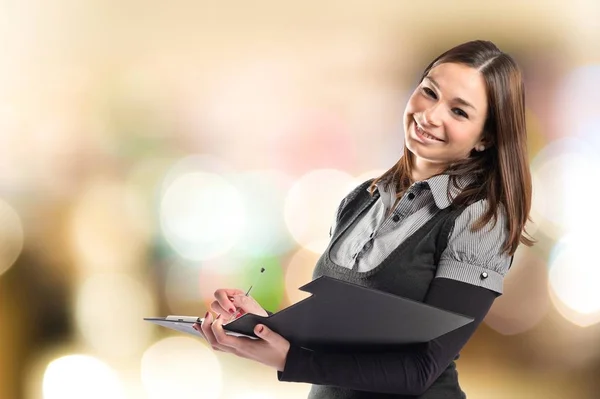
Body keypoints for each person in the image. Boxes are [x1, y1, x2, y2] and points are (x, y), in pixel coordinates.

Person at [193, 39, 534, 398]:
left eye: (459, 112)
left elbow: (421, 370)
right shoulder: (361, 199)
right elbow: (340, 340)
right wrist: (260, 325)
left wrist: (289, 359)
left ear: (486, 138)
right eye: (430, 92)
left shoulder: (480, 219)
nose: (432, 115)